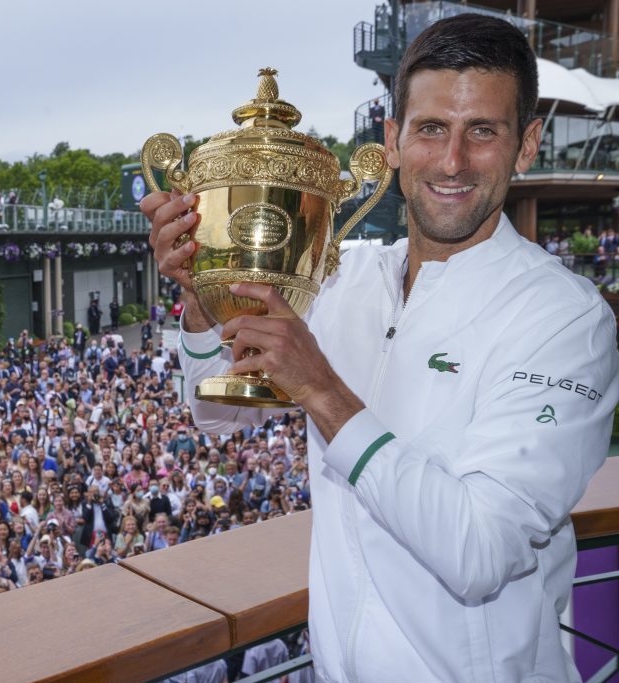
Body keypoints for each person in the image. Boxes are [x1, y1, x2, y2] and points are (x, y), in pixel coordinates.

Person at [140, 15, 618, 682]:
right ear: (392, 141)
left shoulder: (566, 318)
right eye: (430, 129)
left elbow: (480, 551)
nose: (452, 161)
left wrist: (325, 394)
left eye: (483, 130)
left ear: (527, 145)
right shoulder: (343, 278)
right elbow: (220, 416)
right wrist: (200, 295)